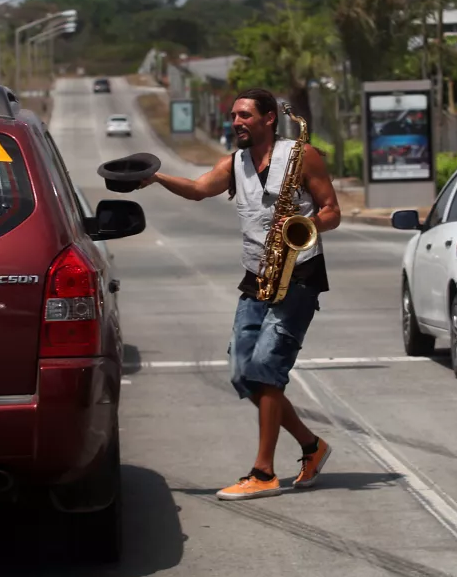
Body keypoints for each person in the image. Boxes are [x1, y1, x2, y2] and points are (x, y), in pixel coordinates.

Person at [138, 88, 340, 500]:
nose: (236, 122)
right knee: (243, 372)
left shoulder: (303, 156)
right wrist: (156, 178)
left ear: (269, 118)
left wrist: (303, 227)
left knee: (266, 368)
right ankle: (311, 445)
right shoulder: (235, 163)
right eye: (234, 116)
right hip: (257, 275)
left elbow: (331, 211)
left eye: (245, 115)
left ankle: (263, 472)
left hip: (299, 273)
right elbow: (198, 189)